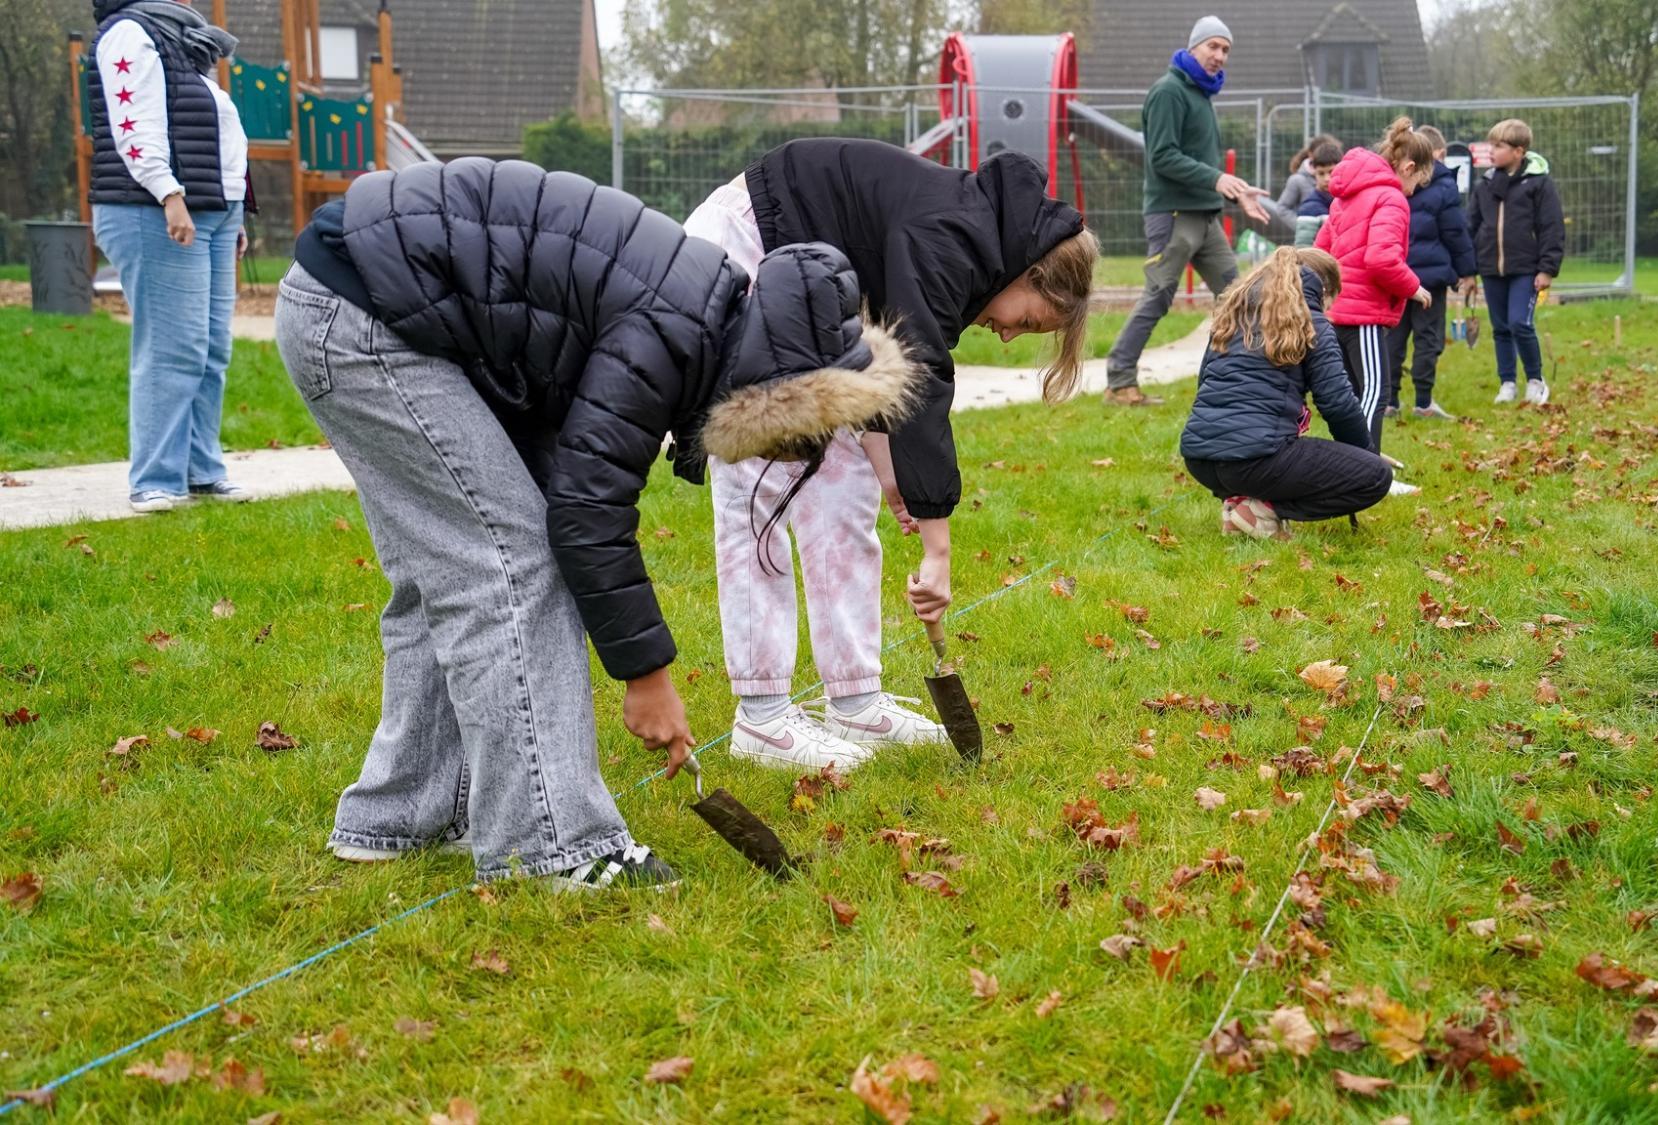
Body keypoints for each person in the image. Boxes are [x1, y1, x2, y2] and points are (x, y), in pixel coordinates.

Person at [274, 158, 921, 890]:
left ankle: (398, 818)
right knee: (509, 566)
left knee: (456, 570)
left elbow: (561, 459)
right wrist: (647, 678)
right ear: (779, 387)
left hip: (357, 295)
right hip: (365, 317)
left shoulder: (695, 308)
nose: (784, 450)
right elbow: (585, 516)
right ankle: (556, 845)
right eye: (798, 429)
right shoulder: (669, 331)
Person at [683, 139, 1098, 769]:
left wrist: (892, 474)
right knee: (762, 475)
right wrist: (938, 547)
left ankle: (855, 700)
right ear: (1031, 271)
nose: (1010, 332)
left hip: (810, 285)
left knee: (844, 475)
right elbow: (923, 375)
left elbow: (889, 365)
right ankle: (761, 715)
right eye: (1031, 320)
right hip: (749, 248)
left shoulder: (974, 239)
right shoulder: (954, 235)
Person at [86, 0, 254, 513]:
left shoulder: (181, 41)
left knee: (209, 349)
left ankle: (202, 470)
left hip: (211, 211)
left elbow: (218, 136)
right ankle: (155, 479)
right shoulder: (131, 33)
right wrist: (168, 194)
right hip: (156, 208)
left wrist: (236, 211)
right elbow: (134, 125)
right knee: (171, 349)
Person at [1102, 16, 1268, 407]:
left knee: (1238, 297)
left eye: (1226, 49)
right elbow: (1162, 157)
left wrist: (1236, 192)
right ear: (1193, 47)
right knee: (1158, 297)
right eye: (1213, 46)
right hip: (1173, 215)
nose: (1220, 55)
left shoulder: (1202, 96)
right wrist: (1216, 179)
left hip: (1205, 217)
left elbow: (1199, 165)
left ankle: (1243, 381)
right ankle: (1119, 381)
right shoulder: (1169, 91)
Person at [1180, 246, 1392, 539]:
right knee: (1376, 477)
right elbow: (1338, 403)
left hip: (1199, 459)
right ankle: (1261, 510)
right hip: (1256, 459)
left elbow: (1205, 380)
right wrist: (1365, 455)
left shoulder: (1232, 316)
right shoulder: (1312, 321)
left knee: (1262, 458)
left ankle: (1240, 504)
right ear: (1323, 290)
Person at [1314, 117, 1432, 455]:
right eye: (1420, 179)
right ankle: (1365, 469)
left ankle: (1353, 459)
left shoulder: (1344, 197)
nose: (1417, 188)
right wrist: (1414, 288)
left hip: (1336, 311)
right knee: (1375, 393)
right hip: (1364, 314)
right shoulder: (1391, 199)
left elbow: (1321, 253)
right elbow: (1381, 259)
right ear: (1409, 167)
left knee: (1351, 394)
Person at [1466, 118, 1565, 406]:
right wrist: (1469, 271)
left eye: (1499, 146)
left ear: (1519, 151)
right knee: (1500, 327)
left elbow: (1552, 227)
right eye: (1491, 145)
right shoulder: (1484, 185)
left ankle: (1535, 380)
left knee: (1519, 323)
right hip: (1490, 269)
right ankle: (1507, 383)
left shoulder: (1539, 184)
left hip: (1526, 269)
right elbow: (1470, 227)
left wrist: (1547, 268)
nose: (1492, 151)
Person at [1385, 125, 1476, 420]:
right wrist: (1467, 271)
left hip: (1394, 275)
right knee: (1428, 338)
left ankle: (1389, 400)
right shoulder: (1444, 184)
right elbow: (1455, 232)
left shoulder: (1390, 178)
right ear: (1438, 155)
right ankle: (1423, 401)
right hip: (1431, 277)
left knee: (1392, 339)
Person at [1270, 133, 1340, 224]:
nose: (1326, 178)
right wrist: (1303, 226)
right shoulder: (1297, 180)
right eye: (1321, 173)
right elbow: (1282, 208)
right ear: (1310, 154)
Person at [1290, 140, 1341, 248]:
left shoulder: (1346, 201)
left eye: (1331, 172)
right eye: (1321, 173)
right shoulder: (1310, 208)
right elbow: (1303, 248)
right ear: (1314, 172)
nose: (1326, 179)